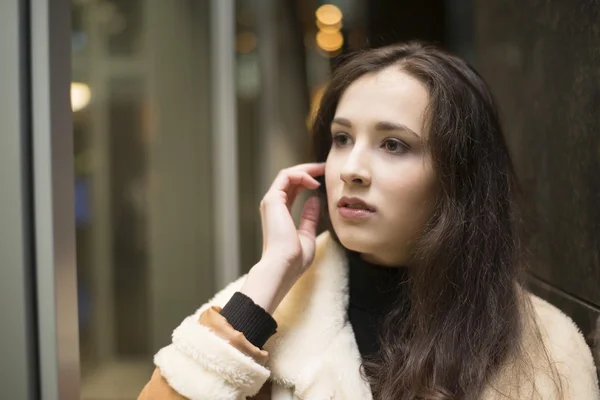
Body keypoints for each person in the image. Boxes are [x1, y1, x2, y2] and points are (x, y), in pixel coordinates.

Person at [138, 42, 599, 399]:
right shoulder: (264, 313)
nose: (351, 169)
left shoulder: (549, 352)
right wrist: (270, 274)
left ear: (459, 174)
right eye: (341, 138)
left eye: (393, 144)